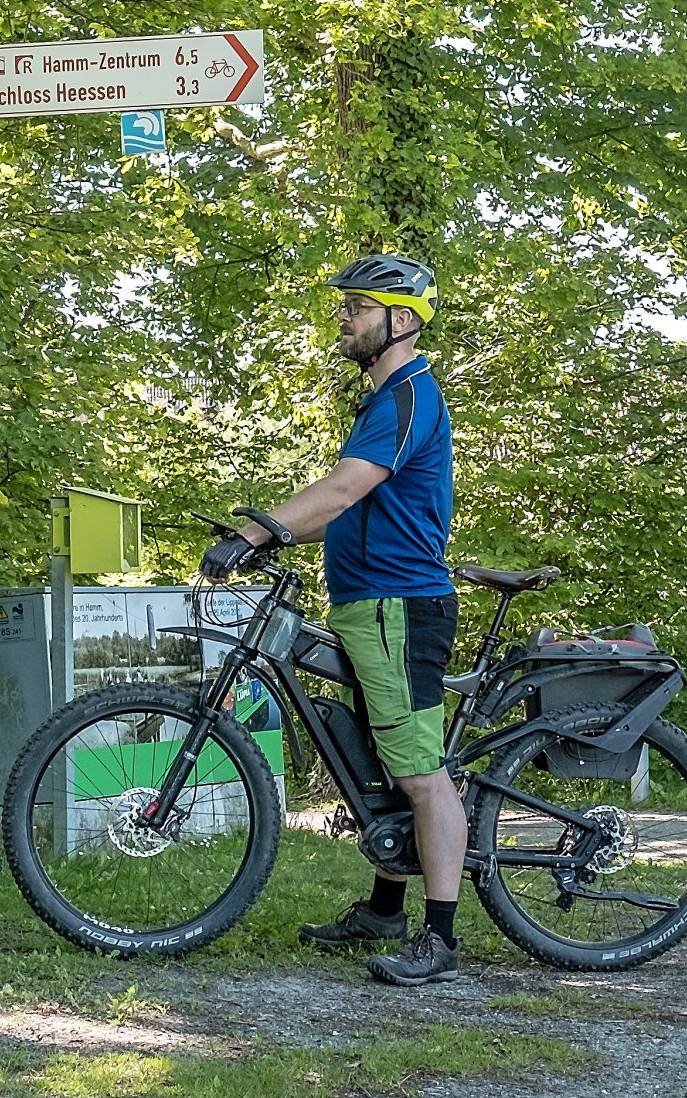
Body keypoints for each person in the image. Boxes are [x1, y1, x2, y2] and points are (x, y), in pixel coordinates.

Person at [202, 252, 462, 985]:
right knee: (382, 767)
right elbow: (340, 507)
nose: (343, 318)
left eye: (356, 305)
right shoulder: (385, 400)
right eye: (344, 305)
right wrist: (277, 532)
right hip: (368, 604)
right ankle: (384, 911)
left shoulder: (408, 394)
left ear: (400, 320)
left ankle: (439, 942)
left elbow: (344, 489)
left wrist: (259, 533)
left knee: (419, 774)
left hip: (398, 606)